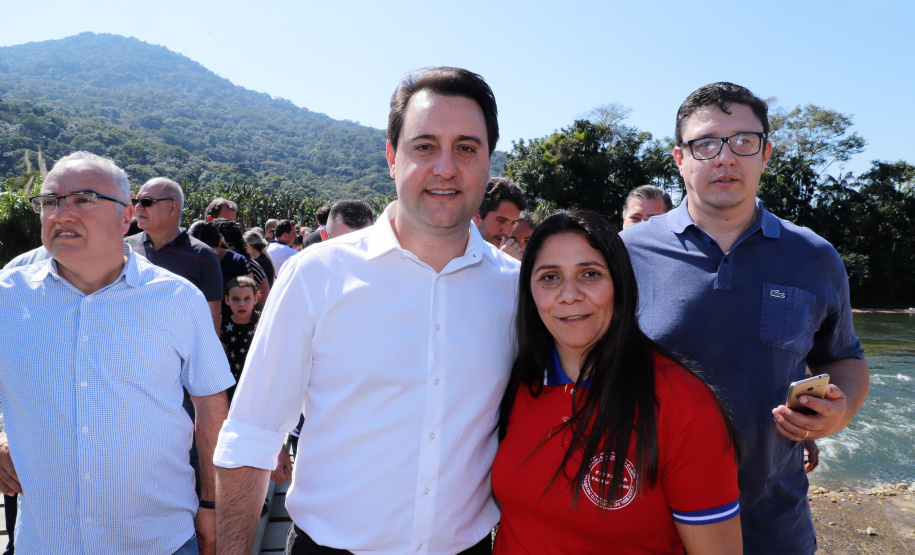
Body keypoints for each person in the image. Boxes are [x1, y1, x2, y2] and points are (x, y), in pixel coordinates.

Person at [214, 66, 517, 555]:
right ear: (392, 157)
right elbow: (250, 437)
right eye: (424, 146)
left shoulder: (518, 291)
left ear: (487, 162)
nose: (445, 167)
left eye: (466, 147)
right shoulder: (316, 276)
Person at [620, 82, 870, 555]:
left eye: (743, 142)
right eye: (706, 143)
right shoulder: (627, 254)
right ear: (680, 158)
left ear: (766, 153)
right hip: (650, 525)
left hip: (774, 526)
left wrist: (839, 413)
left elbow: (845, 359)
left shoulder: (816, 258)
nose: (725, 157)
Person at [0, 151, 233, 554]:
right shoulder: (8, 296)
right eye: (51, 201)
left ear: (126, 217)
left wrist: (212, 505)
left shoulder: (176, 298)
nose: (62, 214)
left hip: (158, 540)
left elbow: (211, 405)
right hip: (46, 540)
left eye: (84, 199)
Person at [493, 209, 742, 554]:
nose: (569, 295)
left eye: (590, 274)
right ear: (531, 295)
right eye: (549, 277)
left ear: (620, 285)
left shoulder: (683, 404)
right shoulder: (516, 380)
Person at [126, 177, 224, 331]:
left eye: (146, 202)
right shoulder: (126, 248)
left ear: (172, 208)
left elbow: (212, 316)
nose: (138, 207)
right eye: (135, 201)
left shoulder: (203, 256)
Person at [221, 276, 260, 404]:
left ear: (255, 298)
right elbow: (221, 357)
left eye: (247, 298)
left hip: (259, 383)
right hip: (234, 385)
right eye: (236, 299)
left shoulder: (263, 323)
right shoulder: (224, 326)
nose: (242, 304)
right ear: (227, 300)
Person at [472, 177, 526, 259]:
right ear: (477, 215)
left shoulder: (515, 259)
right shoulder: (454, 251)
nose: (507, 232)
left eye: (513, 223)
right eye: (501, 220)